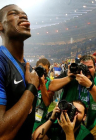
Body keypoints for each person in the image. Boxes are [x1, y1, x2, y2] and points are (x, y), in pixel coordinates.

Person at [0, 4, 39, 140]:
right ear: (1, 26)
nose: (23, 16)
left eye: (25, 15)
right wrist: (32, 87)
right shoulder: (1, 61)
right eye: (14, 13)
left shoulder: (26, 66)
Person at [49, 55, 96, 140]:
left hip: (90, 126)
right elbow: (51, 87)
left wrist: (90, 86)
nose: (87, 70)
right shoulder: (72, 73)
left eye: (90, 67)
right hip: (66, 123)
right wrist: (70, 77)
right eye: (84, 67)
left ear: (95, 67)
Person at [32, 58, 54, 132]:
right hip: (28, 118)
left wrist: (42, 84)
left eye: (45, 70)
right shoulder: (30, 80)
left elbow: (47, 103)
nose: (43, 72)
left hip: (41, 120)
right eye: (40, 69)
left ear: (48, 71)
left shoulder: (50, 84)